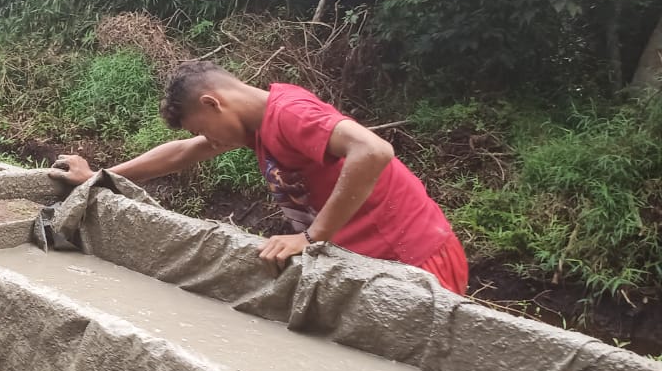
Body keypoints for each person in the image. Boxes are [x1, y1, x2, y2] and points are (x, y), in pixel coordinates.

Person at [50, 61, 468, 294]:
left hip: (413, 260)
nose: (206, 139)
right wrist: (100, 177)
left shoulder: (289, 115)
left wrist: (312, 237)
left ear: (215, 102)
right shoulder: (258, 127)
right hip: (369, 262)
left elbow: (373, 150)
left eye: (203, 127)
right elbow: (183, 153)